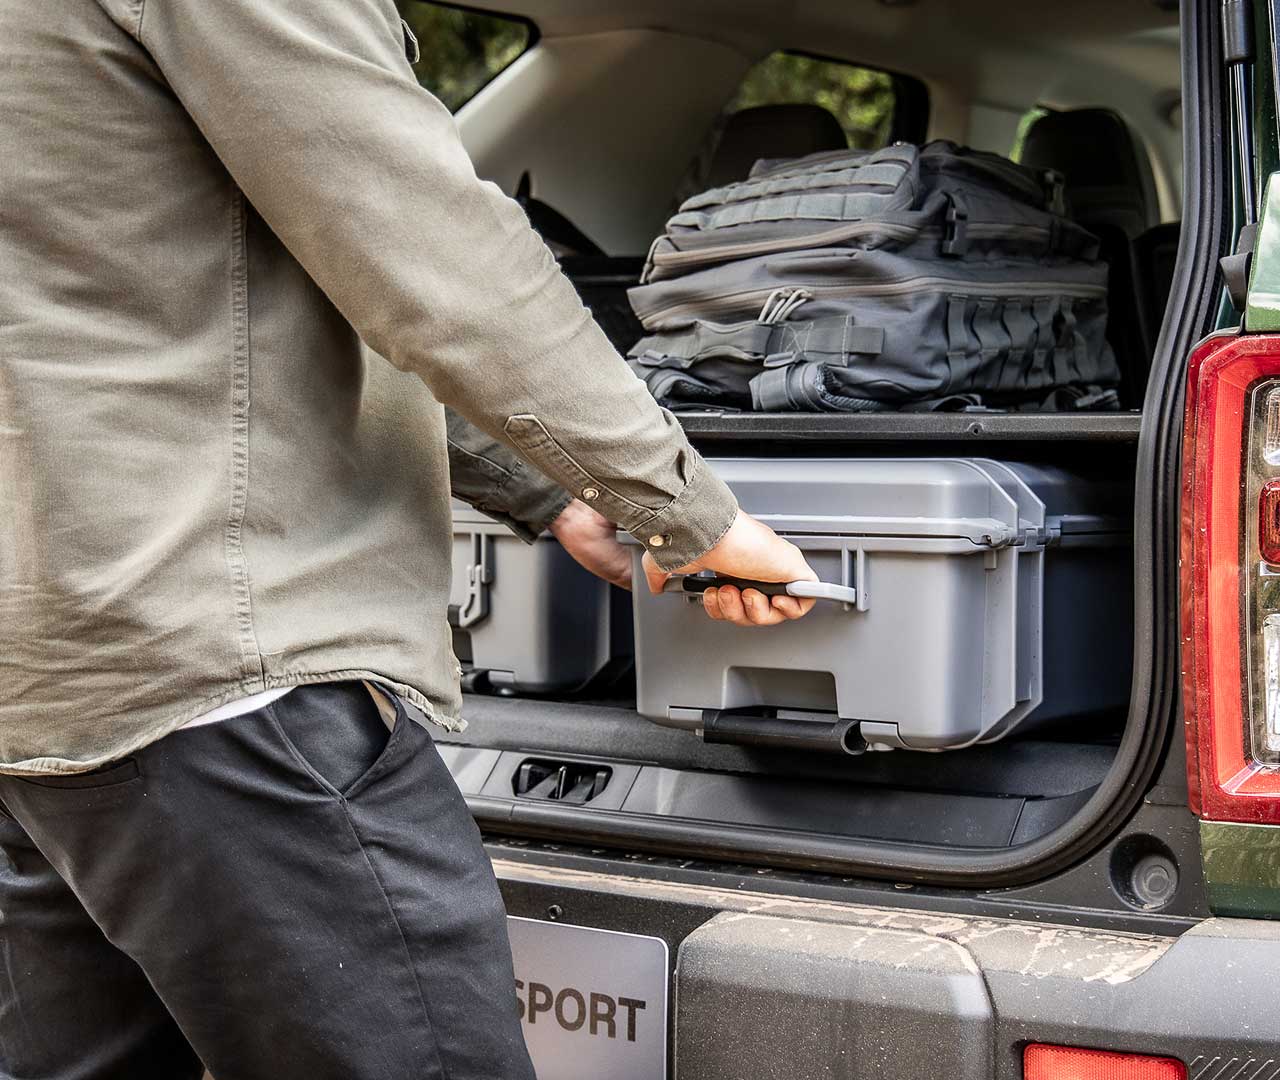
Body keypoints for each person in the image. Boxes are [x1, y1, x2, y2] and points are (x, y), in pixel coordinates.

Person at [0, 1, 816, 1076]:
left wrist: (557, 495)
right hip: (233, 675)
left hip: (50, 683)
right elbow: (422, 248)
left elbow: (167, 282)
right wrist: (689, 508)